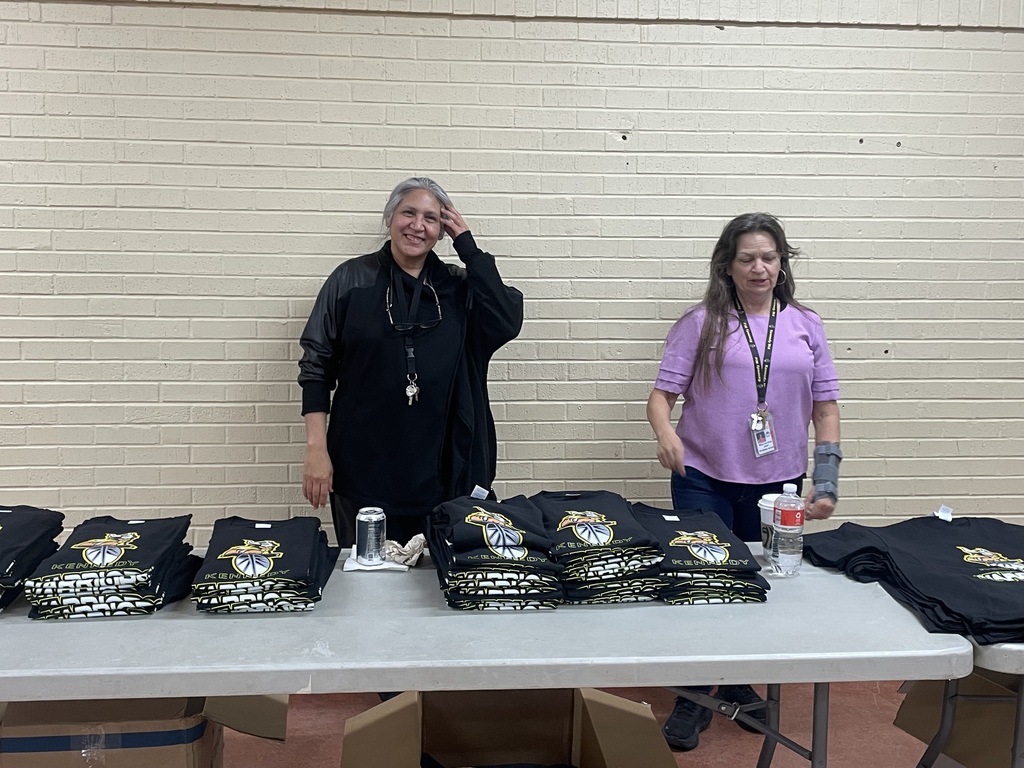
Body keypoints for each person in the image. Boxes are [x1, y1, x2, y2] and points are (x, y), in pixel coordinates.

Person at [646, 212, 842, 752]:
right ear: (727, 267)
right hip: (702, 474)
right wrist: (666, 434)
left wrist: (825, 480)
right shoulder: (701, 322)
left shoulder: (806, 324)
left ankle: (734, 677)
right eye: (747, 258)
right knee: (703, 583)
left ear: (782, 264)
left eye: (769, 257)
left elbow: (825, 409)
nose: (759, 267)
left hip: (776, 483)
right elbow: (661, 398)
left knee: (762, 584)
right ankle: (693, 697)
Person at [298, 178, 523, 547]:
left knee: (437, 586)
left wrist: (468, 246)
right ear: (390, 217)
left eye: (431, 219)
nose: (418, 226)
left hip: (442, 475)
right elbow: (316, 368)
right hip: (363, 471)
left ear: (442, 230)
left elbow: (506, 317)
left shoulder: (458, 287)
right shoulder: (351, 280)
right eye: (409, 213)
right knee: (370, 583)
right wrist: (316, 450)